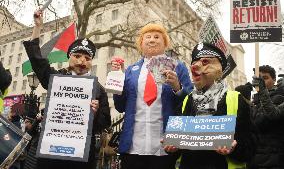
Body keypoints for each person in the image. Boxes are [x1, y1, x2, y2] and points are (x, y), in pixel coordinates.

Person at [23, 10, 111, 169]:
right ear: (69, 57)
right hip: (51, 152)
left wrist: (96, 113)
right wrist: (37, 28)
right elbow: (37, 61)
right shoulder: (56, 78)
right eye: (77, 56)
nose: (82, 61)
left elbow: (105, 121)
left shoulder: (98, 89)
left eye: (87, 58)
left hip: (81, 155)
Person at [111, 23, 193, 169]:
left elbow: (190, 104)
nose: (152, 40)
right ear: (141, 43)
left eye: (157, 37)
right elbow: (120, 106)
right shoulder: (130, 71)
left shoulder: (178, 67)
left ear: (165, 43)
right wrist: (117, 82)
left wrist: (177, 87)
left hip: (164, 146)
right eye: (147, 37)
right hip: (133, 146)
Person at [164, 42, 255, 169]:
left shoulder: (236, 100)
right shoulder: (187, 101)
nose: (195, 66)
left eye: (205, 62)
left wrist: (234, 149)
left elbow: (249, 149)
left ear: (219, 69)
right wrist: (172, 148)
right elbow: (177, 146)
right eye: (194, 62)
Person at [248, 65, 284, 169]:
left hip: (272, 160)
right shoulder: (255, 101)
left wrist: (262, 91)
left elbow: (269, 116)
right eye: (258, 78)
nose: (261, 82)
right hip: (255, 159)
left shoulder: (279, 98)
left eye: (265, 78)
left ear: (274, 80)